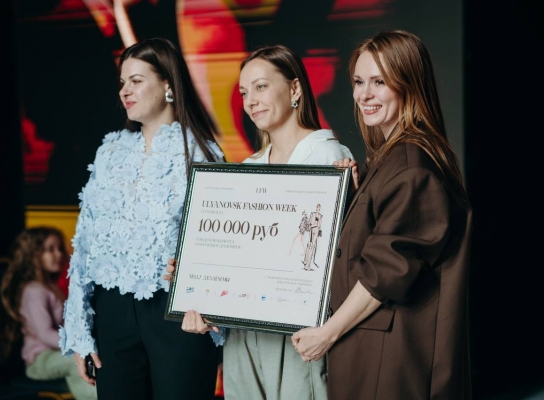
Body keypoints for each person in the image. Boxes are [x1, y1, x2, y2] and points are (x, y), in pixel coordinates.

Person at [291, 29, 473, 399]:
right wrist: (355, 198)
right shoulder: (391, 160)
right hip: (376, 350)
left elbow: (384, 274)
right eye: (359, 82)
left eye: (379, 82)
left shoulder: (411, 165)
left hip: (390, 359)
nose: (364, 95)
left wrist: (327, 333)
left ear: (409, 84)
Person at [166, 44, 355, 400]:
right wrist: (196, 280)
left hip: (301, 336)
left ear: (295, 89)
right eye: (243, 92)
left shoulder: (329, 158)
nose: (250, 101)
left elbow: (343, 262)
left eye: (261, 87)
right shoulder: (247, 169)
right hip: (243, 339)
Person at [58, 37, 225, 399]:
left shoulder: (203, 154)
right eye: (122, 82)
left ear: (168, 84)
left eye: (136, 80)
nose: (125, 91)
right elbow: (84, 245)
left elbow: (222, 246)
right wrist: (80, 331)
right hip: (111, 311)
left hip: (177, 312)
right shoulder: (109, 152)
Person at [0, 226, 97, 400]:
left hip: (58, 353)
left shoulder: (53, 287)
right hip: (40, 360)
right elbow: (45, 334)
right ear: (34, 255)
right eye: (50, 250)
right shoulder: (34, 291)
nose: (58, 254)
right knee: (77, 361)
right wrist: (78, 344)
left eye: (59, 248)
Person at [302, 203, 323, 271]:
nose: (318, 209)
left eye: (319, 208)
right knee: (310, 245)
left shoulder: (320, 216)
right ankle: (306, 264)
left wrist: (319, 232)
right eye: (317, 207)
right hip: (312, 229)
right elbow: (309, 223)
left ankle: (307, 264)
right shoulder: (312, 214)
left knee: (312, 246)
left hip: (316, 230)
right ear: (316, 208)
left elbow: (320, 225)